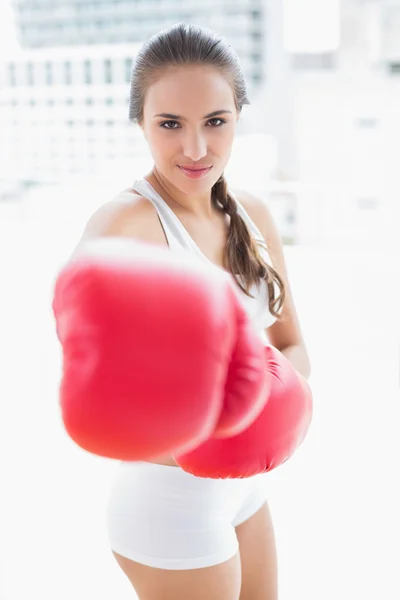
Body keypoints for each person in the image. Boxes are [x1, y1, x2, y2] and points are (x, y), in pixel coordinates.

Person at [63, 23, 311, 600]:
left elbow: (293, 344)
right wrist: (208, 433)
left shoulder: (251, 214)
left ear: (238, 117)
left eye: (215, 122)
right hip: (166, 503)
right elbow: (90, 408)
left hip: (248, 488)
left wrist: (280, 403)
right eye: (170, 124)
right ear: (141, 124)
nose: (196, 149)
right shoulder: (122, 227)